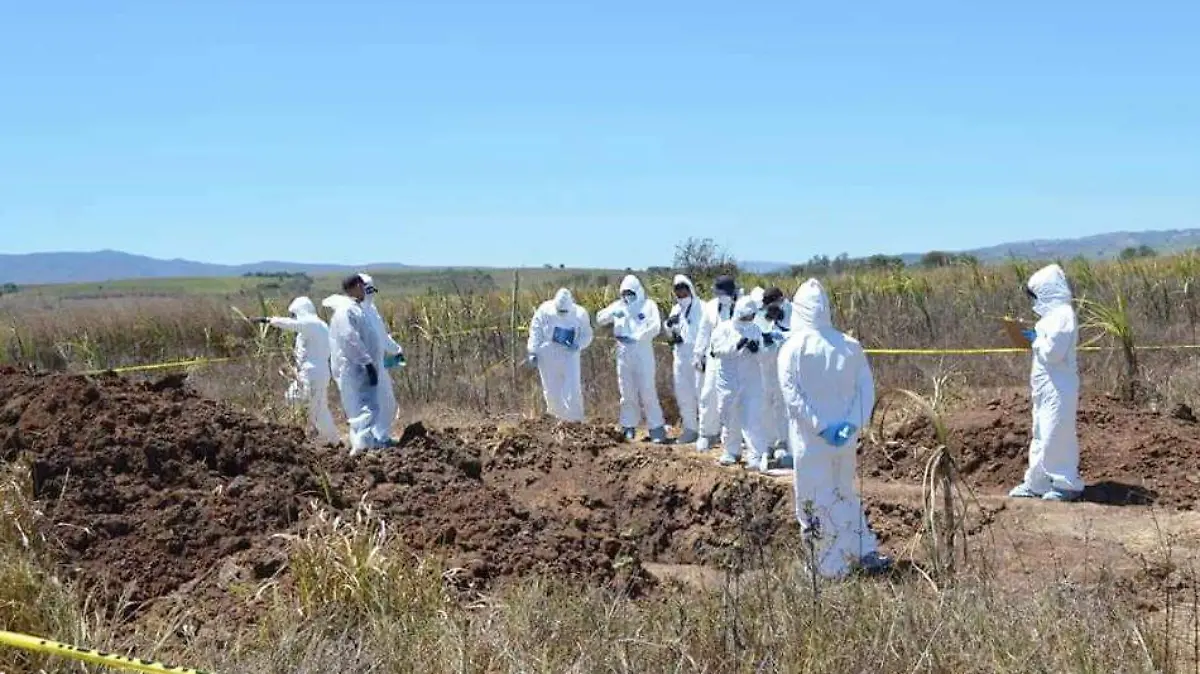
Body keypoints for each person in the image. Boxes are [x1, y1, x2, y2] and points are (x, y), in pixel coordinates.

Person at [779, 278, 889, 578]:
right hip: (845, 439)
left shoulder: (793, 348)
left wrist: (820, 427)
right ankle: (863, 550)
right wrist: (851, 425)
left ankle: (828, 568)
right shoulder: (850, 345)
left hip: (810, 442)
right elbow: (866, 390)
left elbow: (792, 396)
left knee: (814, 501)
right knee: (843, 493)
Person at [1008, 263, 1084, 501]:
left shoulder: (1063, 315)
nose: (1034, 302)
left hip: (1059, 386)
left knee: (1056, 435)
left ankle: (1066, 485)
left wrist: (1035, 340)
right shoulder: (1051, 317)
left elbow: (1054, 353)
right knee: (1041, 434)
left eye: (1036, 296)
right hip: (1045, 386)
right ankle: (1037, 484)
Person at [251, 296, 340, 445]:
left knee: (316, 408)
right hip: (312, 373)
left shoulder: (312, 324)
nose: (293, 317)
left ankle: (330, 440)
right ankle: (320, 437)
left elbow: (292, 324)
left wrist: (269, 320)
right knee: (301, 401)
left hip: (313, 373)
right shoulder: (317, 326)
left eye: (295, 313)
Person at [596, 274, 668, 443]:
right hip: (623, 353)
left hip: (642, 352)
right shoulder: (619, 305)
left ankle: (656, 428)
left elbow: (655, 326)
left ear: (638, 291)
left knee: (647, 391)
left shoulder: (648, 305)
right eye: (625, 293)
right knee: (626, 392)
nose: (627, 296)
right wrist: (612, 312)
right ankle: (628, 426)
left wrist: (639, 336)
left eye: (630, 292)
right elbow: (600, 319)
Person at [709, 296, 770, 471]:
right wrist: (736, 346)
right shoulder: (723, 329)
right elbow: (716, 350)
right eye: (744, 318)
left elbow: (764, 356)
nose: (747, 321)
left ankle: (756, 455)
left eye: (750, 318)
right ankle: (731, 450)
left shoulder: (756, 330)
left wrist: (756, 350)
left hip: (751, 381)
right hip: (727, 381)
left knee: (752, 418)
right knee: (728, 415)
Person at [322, 274, 381, 455]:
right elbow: (350, 339)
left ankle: (362, 446)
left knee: (360, 408)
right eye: (363, 286)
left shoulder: (356, 309)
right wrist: (367, 363)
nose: (365, 290)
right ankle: (363, 446)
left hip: (358, 366)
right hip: (357, 368)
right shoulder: (346, 311)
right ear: (355, 286)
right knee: (367, 407)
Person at [526, 288, 594, 422]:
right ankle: (556, 419)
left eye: (564, 311)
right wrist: (533, 350)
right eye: (559, 311)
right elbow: (536, 330)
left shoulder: (580, 313)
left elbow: (587, 334)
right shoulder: (544, 310)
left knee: (572, 388)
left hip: (569, 354)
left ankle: (575, 421)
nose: (562, 313)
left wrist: (579, 344)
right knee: (551, 389)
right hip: (548, 353)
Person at [692, 275, 739, 451]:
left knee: (736, 398)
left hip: (737, 358)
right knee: (708, 394)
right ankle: (707, 434)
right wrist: (698, 354)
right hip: (714, 357)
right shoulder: (711, 307)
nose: (721, 296)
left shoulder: (742, 305)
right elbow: (703, 331)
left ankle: (737, 437)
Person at [359, 273, 405, 446]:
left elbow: (382, 336)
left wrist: (395, 349)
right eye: (367, 290)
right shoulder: (355, 314)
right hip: (364, 367)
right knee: (369, 405)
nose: (370, 295)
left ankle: (381, 437)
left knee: (387, 402)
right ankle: (368, 441)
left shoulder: (372, 310)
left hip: (378, 365)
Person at [753, 286, 794, 464]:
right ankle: (769, 443)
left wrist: (782, 333)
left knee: (782, 405)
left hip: (785, 366)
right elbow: (759, 332)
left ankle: (783, 442)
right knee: (766, 404)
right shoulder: (763, 314)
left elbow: (798, 334)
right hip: (766, 366)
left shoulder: (792, 311)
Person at [663, 275, 703, 444]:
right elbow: (671, 334)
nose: (681, 293)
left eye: (683, 289)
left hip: (698, 357)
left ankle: (708, 431)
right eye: (677, 290)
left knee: (702, 395)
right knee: (684, 395)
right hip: (680, 357)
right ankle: (690, 429)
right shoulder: (675, 310)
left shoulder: (702, 308)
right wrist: (670, 329)